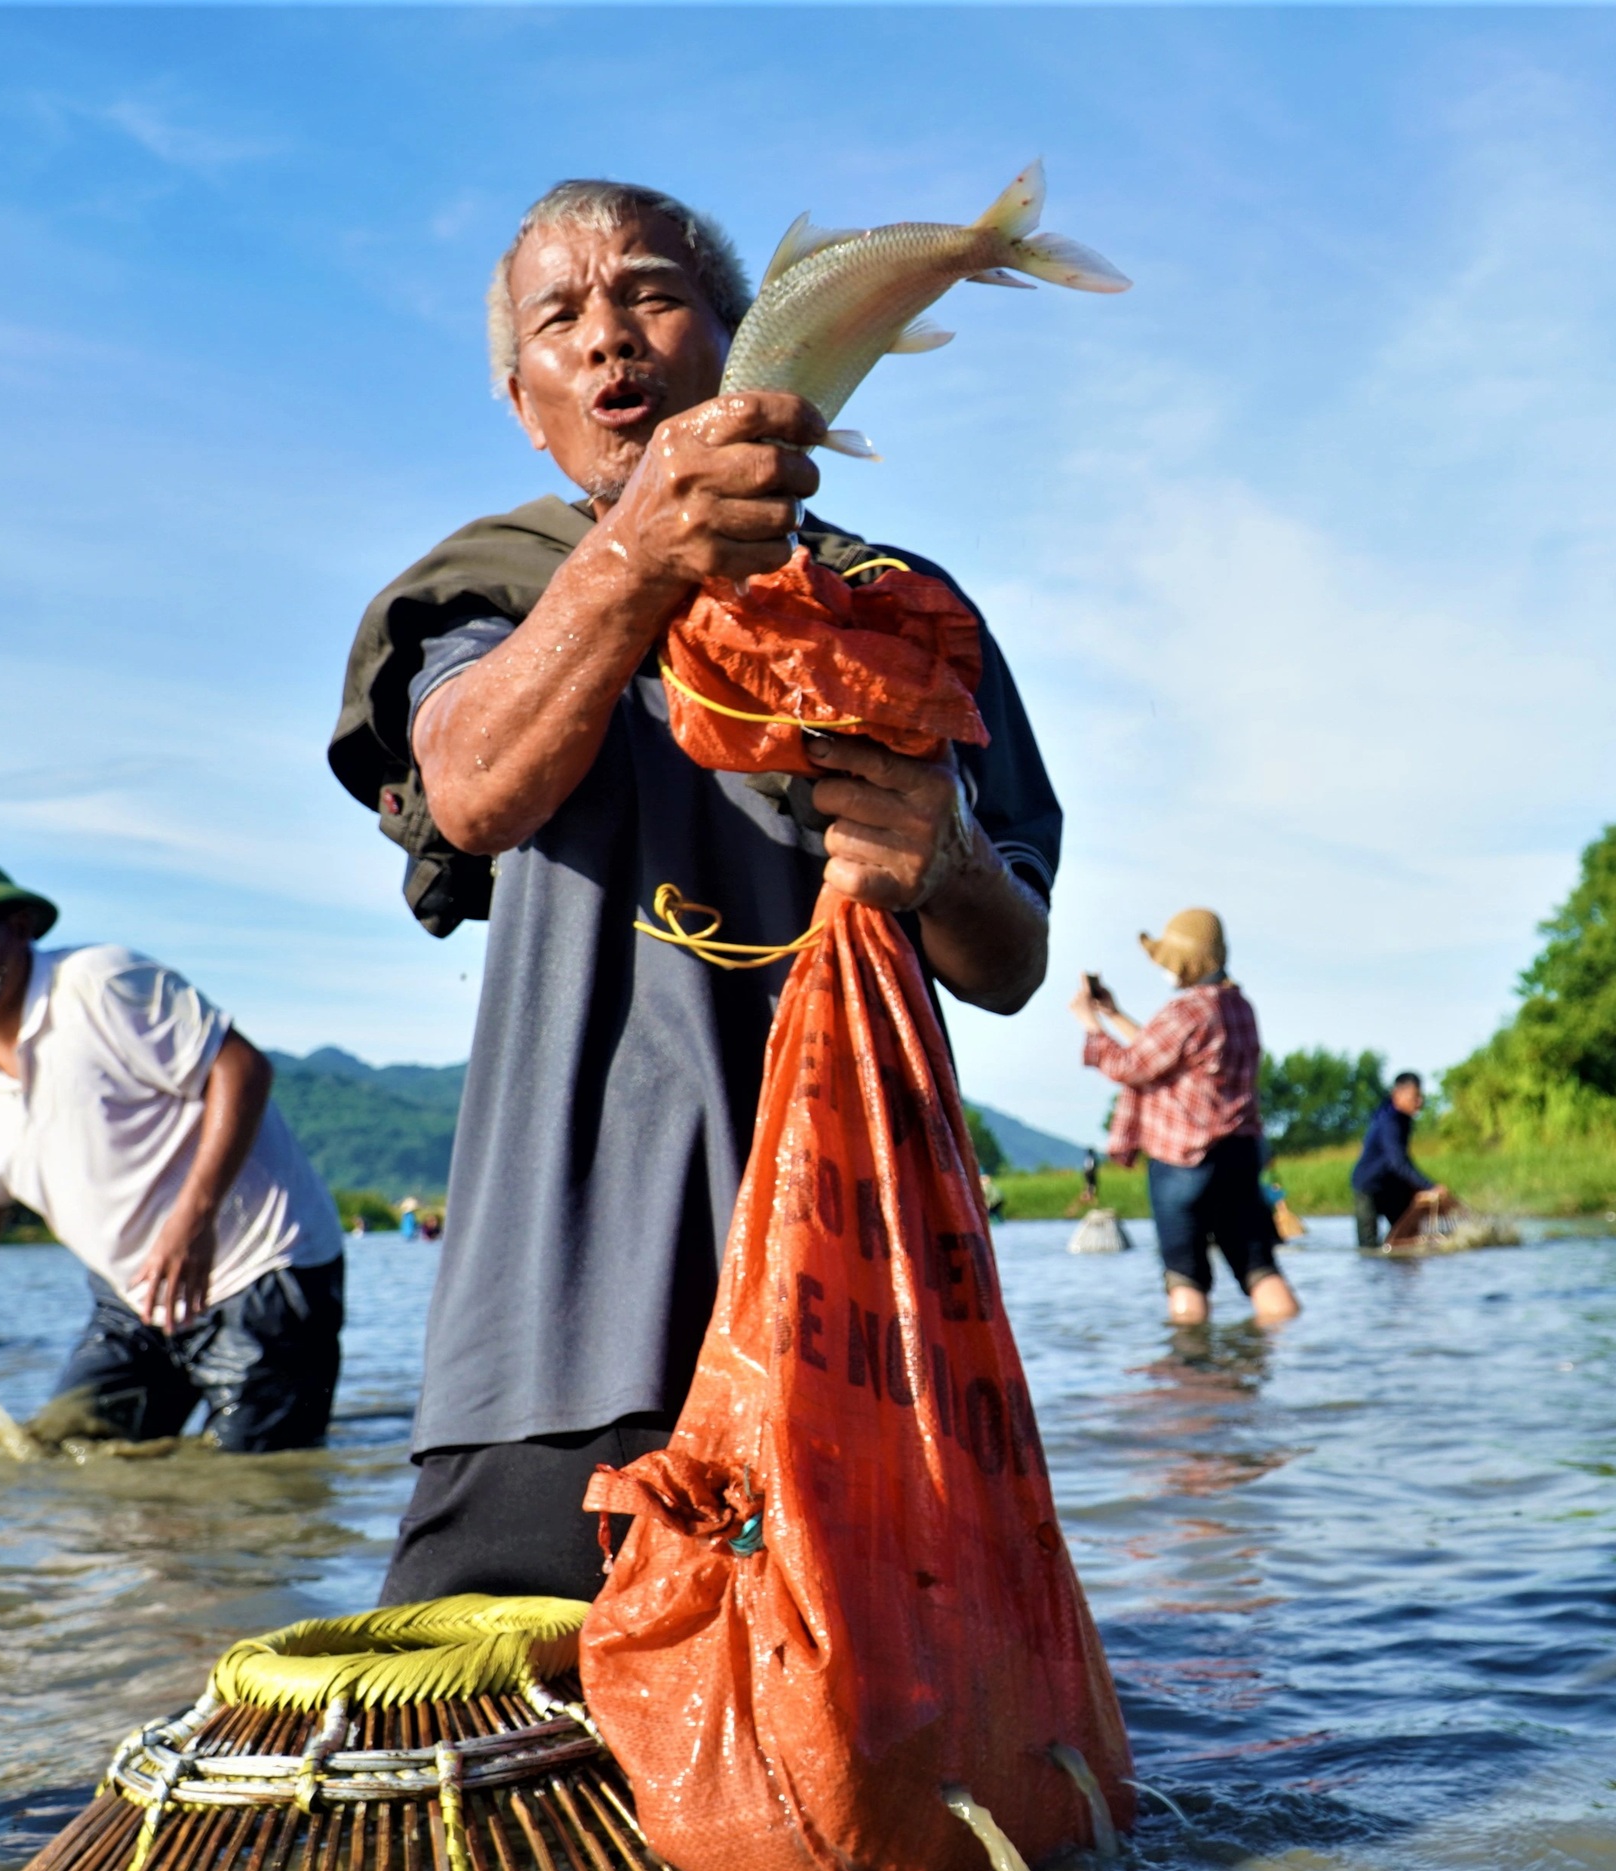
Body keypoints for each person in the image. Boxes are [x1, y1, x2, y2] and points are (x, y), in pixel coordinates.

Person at [330, 180, 1063, 1602]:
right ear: (523, 398)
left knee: (882, 1774)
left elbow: (1012, 959)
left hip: (863, 1316)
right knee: (480, 1766)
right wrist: (639, 556)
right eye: (562, 318)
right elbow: (475, 787)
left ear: (743, 344)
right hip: (556, 1324)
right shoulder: (486, 593)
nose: (610, 339)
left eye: (653, 295)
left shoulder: (906, 608)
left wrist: (952, 862)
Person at [0, 855, 345, 1450]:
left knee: (254, 1490)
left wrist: (191, 1221)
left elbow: (240, 1067)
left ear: (20, 924)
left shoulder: (97, 983)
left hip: (258, 1272)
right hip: (133, 1301)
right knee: (57, 1455)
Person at [1069, 909, 1301, 1327]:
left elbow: (1131, 1067)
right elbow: (1167, 1058)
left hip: (1182, 1165)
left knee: (1186, 1281)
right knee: (1259, 1269)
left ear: (1183, 962)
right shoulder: (1240, 1007)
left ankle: (1190, 1379)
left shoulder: (1185, 1011)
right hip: (1239, 1157)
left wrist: (1090, 1025)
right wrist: (1115, 1014)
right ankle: (1290, 1358)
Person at [1351, 1072, 1452, 1248]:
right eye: (1415, 1096)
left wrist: (1417, 1187)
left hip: (1391, 1186)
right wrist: (1429, 1186)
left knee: (1407, 1239)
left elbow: (1401, 1161)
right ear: (1398, 1095)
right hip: (1368, 1187)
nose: (1420, 1101)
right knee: (1368, 1249)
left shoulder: (1402, 1119)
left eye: (1421, 1096)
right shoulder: (1390, 1121)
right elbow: (1397, 1162)